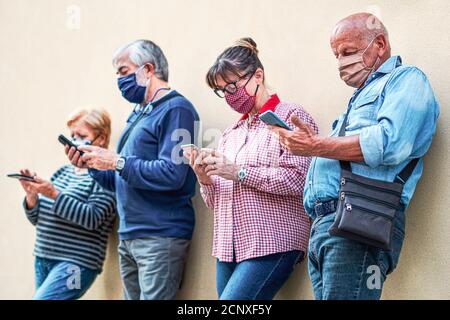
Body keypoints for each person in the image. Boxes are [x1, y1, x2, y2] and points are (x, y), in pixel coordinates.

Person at [270, 13, 440, 299]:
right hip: (328, 224)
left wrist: (314, 146)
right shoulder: (357, 98)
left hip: (359, 219)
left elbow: (389, 143)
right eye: (336, 55)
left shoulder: (406, 80)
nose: (341, 63)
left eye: (347, 52)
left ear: (380, 44)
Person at [66, 40, 199, 300]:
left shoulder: (178, 110)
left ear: (148, 70)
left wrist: (116, 161)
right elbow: (121, 179)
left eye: (123, 71)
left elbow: (173, 174)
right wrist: (92, 165)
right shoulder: (137, 114)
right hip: (130, 234)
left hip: (160, 235)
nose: (119, 79)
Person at [187, 38, 318, 300]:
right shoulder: (230, 133)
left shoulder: (290, 116)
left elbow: (300, 181)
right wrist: (205, 179)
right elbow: (216, 201)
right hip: (228, 246)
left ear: (258, 75)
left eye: (233, 85)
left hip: (272, 242)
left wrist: (238, 172)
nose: (229, 95)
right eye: (222, 90)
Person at [17, 108, 116, 300]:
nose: (74, 140)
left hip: (75, 263)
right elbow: (38, 218)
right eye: (72, 135)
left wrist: (53, 193)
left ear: (101, 138)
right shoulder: (63, 172)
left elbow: (92, 218)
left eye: (81, 135)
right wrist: (32, 197)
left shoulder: (105, 176)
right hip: (44, 257)